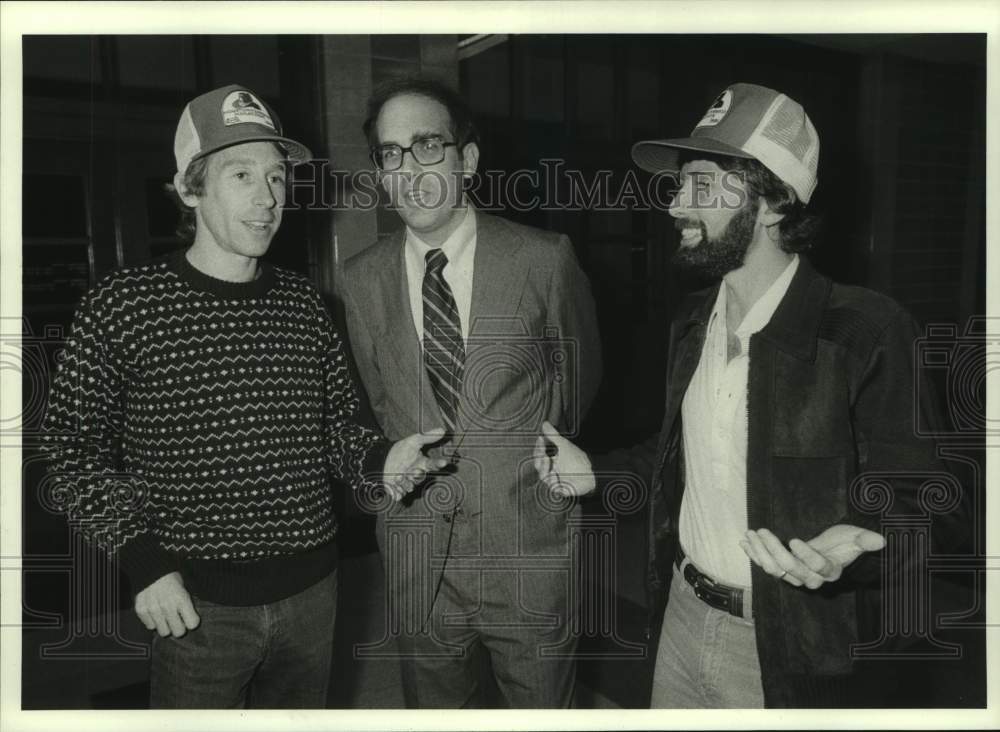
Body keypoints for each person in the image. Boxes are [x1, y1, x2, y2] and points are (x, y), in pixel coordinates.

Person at [535, 83, 954, 708]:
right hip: (680, 614)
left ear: (773, 204)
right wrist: (596, 470)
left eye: (701, 186)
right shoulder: (692, 321)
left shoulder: (866, 330)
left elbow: (934, 502)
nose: (676, 204)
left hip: (788, 644)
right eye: (681, 185)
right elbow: (681, 456)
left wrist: (866, 544)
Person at [40, 84, 443, 709]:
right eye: (241, 175)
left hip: (314, 592)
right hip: (195, 607)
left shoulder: (307, 305)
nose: (267, 200)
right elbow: (68, 453)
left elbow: (340, 429)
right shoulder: (124, 306)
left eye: (277, 177)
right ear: (191, 188)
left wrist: (379, 460)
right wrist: (143, 562)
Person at [341, 77, 602, 708]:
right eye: (390, 153)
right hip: (417, 560)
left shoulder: (543, 258)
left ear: (469, 159)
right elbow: (378, 402)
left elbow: (580, 377)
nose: (410, 169)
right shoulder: (360, 277)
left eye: (428, 145)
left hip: (528, 553)